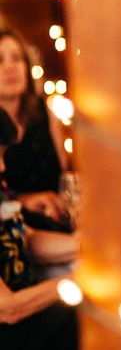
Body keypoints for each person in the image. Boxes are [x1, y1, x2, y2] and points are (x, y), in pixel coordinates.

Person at [0, 106, 80, 350]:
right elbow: (7, 308)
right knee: (96, 320)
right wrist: (76, 282)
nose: (2, 165)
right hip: (7, 339)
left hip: (22, 312)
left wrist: (87, 247)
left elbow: (27, 238)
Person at [0, 27, 68, 226]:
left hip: (55, 220)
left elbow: (65, 177)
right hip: (15, 231)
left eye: (17, 58)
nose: (10, 67)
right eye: (0, 60)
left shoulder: (44, 112)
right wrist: (23, 201)